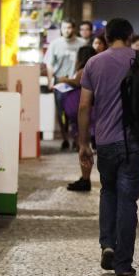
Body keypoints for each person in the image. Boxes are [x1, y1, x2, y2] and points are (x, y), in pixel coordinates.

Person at [78, 18, 139, 276]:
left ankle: (107, 244)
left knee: (108, 192)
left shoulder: (94, 63)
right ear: (130, 36)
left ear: (106, 37)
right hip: (134, 143)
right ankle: (123, 264)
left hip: (105, 143)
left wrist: (83, 144)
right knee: (128, 201)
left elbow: (84, 107)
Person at [46, 20, 87, 150]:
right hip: (60, 82)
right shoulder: (55, 44)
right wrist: (50, 80)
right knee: (61, 112)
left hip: (77, 82)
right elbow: (49, 64)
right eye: (64, 28)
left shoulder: (82, 43)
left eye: (69, 27)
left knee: (76, 112)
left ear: (74, 28)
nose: (67, 30)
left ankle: (76, 139)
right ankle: (65, 139)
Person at [63, 45, 98, 192]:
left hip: (85, 114)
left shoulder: (84, 70)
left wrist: (64, 79)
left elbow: (77, 83)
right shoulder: (96, 69)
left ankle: (85, 179)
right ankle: (85, 178)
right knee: (86, 146)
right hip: (94, 112)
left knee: (83, 146)